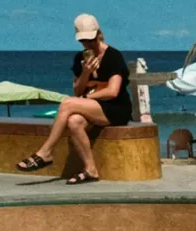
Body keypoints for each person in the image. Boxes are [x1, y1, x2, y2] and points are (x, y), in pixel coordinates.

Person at [15, 14, 133, 184]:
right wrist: (85, 73)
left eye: (91, 39)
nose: (88, 44)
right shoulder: (80, 58)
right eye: (83, 41)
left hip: (115, 108)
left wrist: (88, 96)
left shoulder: (113, 56)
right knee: (74, 121)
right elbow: (77, 90)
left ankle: (45, 152)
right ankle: (91, 169)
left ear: (98, 34)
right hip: (93, 106)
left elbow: (113, 91)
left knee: (67, 103)